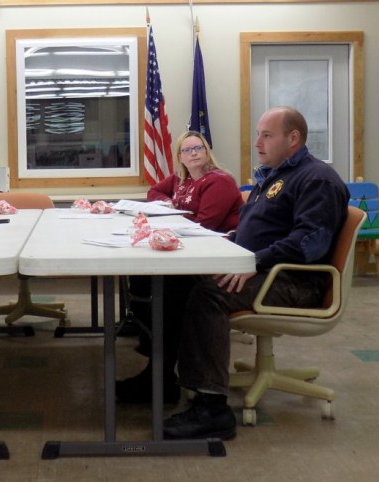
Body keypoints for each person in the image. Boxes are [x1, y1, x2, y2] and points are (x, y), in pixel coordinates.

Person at [131, 106, 349, 440]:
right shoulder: (273, 176)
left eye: (267, 135)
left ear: (293, 139)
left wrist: (254, 262)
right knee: (173, 279)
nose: (257, 142)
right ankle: (159, 378)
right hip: (262, 267)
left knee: (209, 294)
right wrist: (228, 245)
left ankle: (212, 408)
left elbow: (310, 243)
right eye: (258, 133)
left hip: (291, 280)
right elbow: (251, 230)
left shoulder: (316, 178)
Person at [117, 131, 243, 404]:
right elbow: (154, 191)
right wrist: (167, 203)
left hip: (214, 255)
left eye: (198, 148)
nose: (193, 153)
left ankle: (159, 374)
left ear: (207, 151)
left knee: (169, 285)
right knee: (142, 278)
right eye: (187, 150)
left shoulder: (219, 181)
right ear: (180, 158)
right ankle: (150, 350)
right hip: (191, 248)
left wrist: (173, 211)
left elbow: (204, 224)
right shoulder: (181, 179)